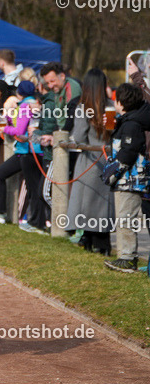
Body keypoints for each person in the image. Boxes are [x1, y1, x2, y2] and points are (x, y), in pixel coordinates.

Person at [0, 80, 47, 228]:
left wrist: (4, 129)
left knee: (32, 188)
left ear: (19, 93)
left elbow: (18, 130)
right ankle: (2, 213)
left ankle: (33, 223)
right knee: (30, 186)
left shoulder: (25, 106)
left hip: (28, 151)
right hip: (28, 150)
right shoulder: (34, 105)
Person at [64, 69, 114, 253]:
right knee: (102, 204)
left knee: (86, 203)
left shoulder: (83, 107)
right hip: (107, 159)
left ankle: (88, 240)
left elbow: (78, 136)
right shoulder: (110, 105)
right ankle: (103, 244)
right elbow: (110, 133)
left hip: (89, 159)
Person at [103, 82, 150, 272]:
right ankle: (123, 255)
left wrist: (112, 173)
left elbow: (128, 152)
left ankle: (128, 257)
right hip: (126, 180)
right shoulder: (128, 120)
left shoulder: (132, 124)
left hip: (130, 180)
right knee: (123, 218)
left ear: (121, 102)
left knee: (125, 218)